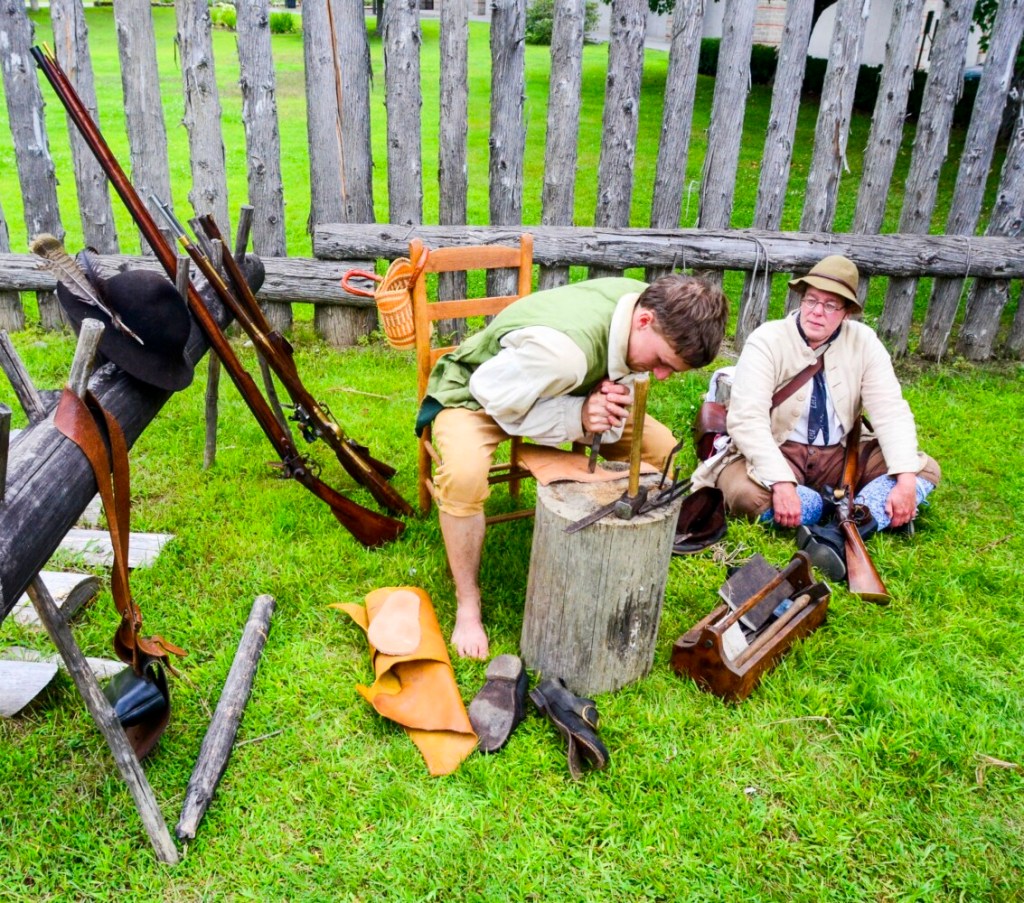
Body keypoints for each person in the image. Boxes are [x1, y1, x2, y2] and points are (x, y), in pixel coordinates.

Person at [416, 275, 730, 659]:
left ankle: (618, 559)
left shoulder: (643, 304)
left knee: (661, 450)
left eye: (672, 370)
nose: (662, 375)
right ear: (644, 321)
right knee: (463, 478)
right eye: (663, 362)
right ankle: (468, 603)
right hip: (481, 394)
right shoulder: (562, 353)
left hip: (563, 389)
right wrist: (579, 414)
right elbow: (492, 394)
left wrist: (601, 409)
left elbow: (620, 388)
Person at [691, 255, 940, 579]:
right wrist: (781, 482)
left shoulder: (864, 343)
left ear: (847, 312)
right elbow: (746, 419)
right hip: (777, 450)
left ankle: (846, 524)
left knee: (923, 471)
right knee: (748, 495)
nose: (817, 312)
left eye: (830, 305)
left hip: (839, 454)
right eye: (811, 300)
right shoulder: (767, 340)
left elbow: (890, 410)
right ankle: (830, 509)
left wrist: (905, 480)